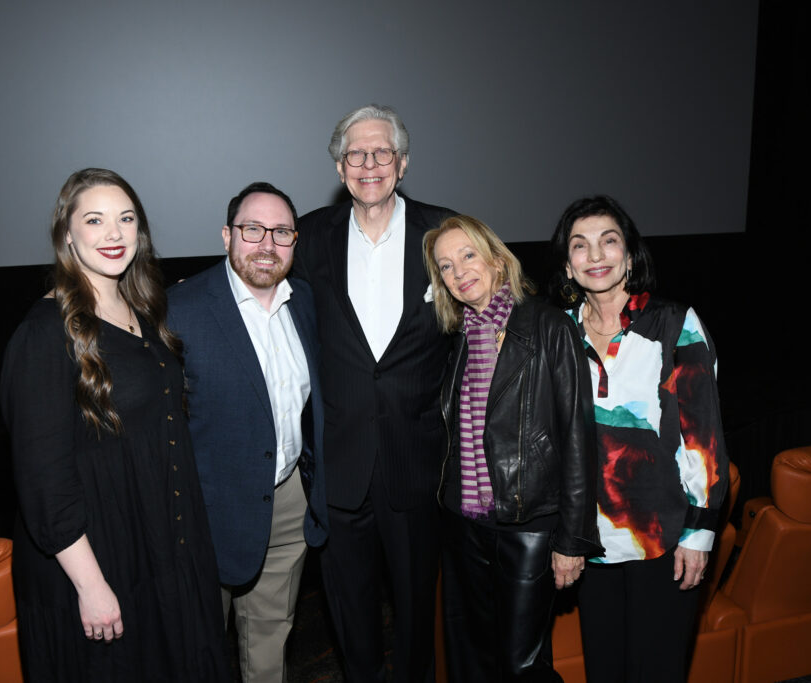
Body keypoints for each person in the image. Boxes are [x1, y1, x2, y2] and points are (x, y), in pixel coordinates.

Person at [0, 168, 229, 682]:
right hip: (100, 560)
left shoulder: (141, 311)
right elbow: (44, 484)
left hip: (155, 544)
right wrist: (91, 586)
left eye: (126, 219)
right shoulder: (43, 336)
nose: (114, 233)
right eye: (95, 220)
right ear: (67, 235)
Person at [292, 104, 455, 683]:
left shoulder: (446, 233)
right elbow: (253, 282)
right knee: (348, 610)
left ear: (402, 163)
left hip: (417, 463)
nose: (368, 164)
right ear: (340, 168)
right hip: (340, 465)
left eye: (381, 152)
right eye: (355, 154)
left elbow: (493, 316)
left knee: (417, 612)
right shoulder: (308, 236)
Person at [548, 195, 729, 683]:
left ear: (629, 255)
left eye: (609, 242)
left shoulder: (673, 323)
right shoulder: (557, 333)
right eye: (580, 246)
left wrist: (699, 532)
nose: (596, 256)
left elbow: (704, 438)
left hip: (664, 540)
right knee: (605, 671)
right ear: (568, 264)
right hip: (590, 543)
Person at [423, 215, 601, 682]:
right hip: (466, 524)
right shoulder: (460, 336)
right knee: (471, 659)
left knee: (522, 664)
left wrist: (572, 540)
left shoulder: (548, 326)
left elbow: (579, 439)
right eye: (444, 266)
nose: (458, 271)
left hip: (529, 527)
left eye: (467, 255)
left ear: (497, 260)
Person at [167, 182, 328, 683]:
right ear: (227, 236)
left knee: (268, 646)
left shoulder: (306, 303)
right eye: (252, 229)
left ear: (295, 242)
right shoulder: (178, 310)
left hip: (287, 506)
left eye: (281, 232)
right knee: (194, 652)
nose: (267, 244)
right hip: (201, 514)